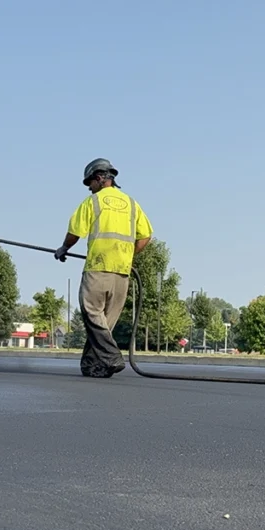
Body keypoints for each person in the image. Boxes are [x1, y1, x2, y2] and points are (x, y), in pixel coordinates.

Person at [54, 158, 153, 377]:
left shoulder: (93, 201)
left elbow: (75, 232)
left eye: (90, 182)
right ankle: (92, 365)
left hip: (98, 268)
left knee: (91, 313)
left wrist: (63, 248)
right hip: (122, 272)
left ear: (99, 178)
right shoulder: (132, 204)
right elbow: (146, 236)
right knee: (103, 323)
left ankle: (111, 356)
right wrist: (127, 256)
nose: (89, 188)